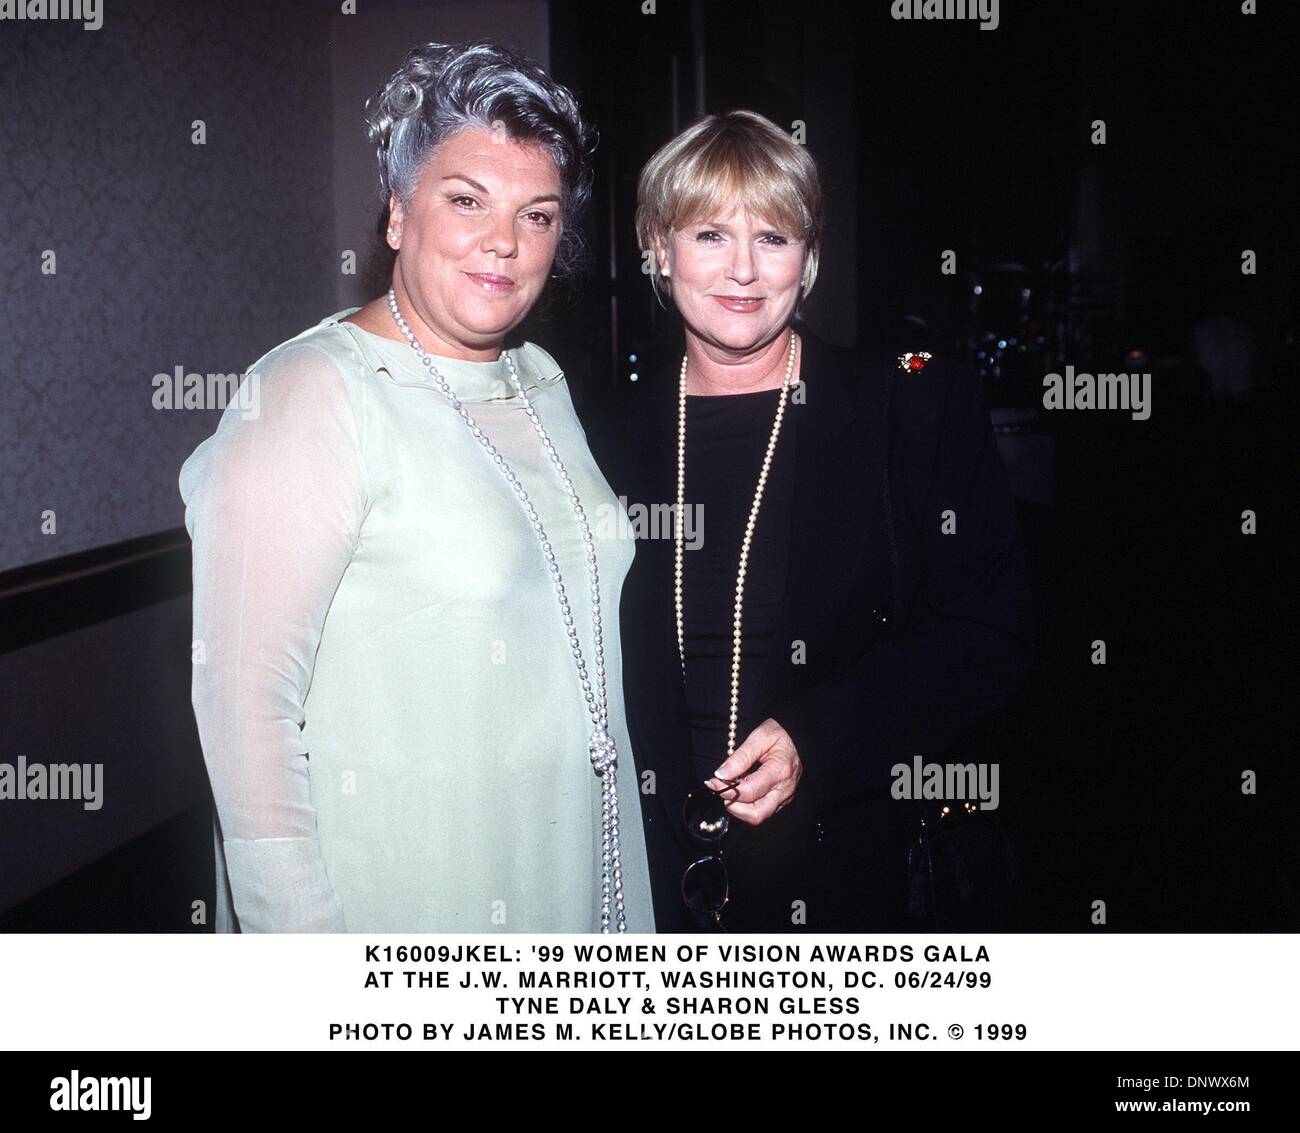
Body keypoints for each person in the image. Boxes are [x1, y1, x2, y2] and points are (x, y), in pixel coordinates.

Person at [178, 41, 654, 934]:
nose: (504, 242)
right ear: (398, 214)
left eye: (539, 215)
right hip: (408, 903)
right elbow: (244, 709)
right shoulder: (309, 395)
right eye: (466, 200)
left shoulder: (540, 378)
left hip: (570, 879)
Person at [596, 110, 1035, 932]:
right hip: (643, 882)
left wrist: (819, 739)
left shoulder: (914, 405)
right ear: (657, 246)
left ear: (812, 257)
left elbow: (990, 635)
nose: (743, 271)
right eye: (709, 235)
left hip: (851, 878)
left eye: (773, 238)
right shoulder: (595, 429)